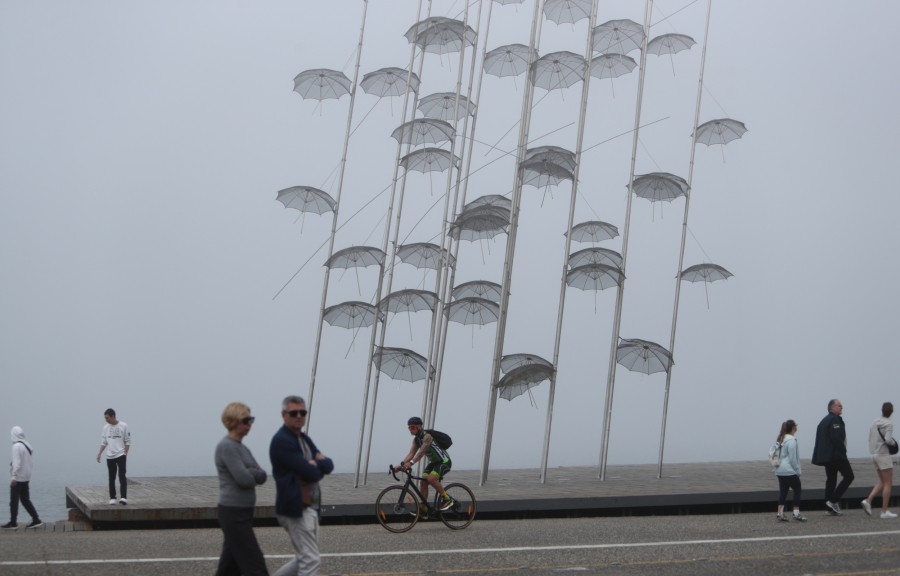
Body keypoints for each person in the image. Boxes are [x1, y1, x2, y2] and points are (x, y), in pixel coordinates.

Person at [270, 396, 333, 576]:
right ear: (284, 415)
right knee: (311, 559)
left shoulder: (304, 439)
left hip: (310, 507)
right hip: (296, 507)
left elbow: (328, 465)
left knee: (303, 558)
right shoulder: (282, 441)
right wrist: (314, 464)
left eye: (302, 412)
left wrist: (314, 465)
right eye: (294, 413)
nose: (299, 416)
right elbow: (311, 472)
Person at [214, 402, 269, 576]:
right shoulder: (226, 446)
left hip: (243, 513)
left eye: (251, 419)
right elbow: (243, 479)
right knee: (255, 565)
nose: (250, 424)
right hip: (233, 513)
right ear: (233, 421)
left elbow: (263, 475)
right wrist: (253, 472)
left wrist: (251, 472)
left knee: (229, 568)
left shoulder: (242, 448)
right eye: (246, 420)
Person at [395, 416, 454, 512]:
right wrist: (400, 465)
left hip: (444, 462)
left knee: (431, 479)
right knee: (423, 482)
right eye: (409, 427)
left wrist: (411, 463)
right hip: (434, 463)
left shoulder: (427, 436)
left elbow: (421, 453)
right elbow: (411, 454)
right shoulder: (416, 440)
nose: (410, 430)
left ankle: (447, 499)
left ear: (419, 427)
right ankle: (424, 510)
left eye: (412, 427)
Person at [812, 399, 854, 515]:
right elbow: (835, 438)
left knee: (831, 480)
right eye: (839, 406)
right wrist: (843, 450)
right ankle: (833, 501)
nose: (842, 408)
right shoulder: (834, 419)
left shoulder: (824, 421)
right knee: (849, 476)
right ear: (832, 408)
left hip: (827, 457)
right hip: (836, 455)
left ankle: (829, 509)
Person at [2, 427, 43, 529]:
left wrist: (13, 477)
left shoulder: (16, 446)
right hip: (26, 477)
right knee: (25, 500)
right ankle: (36, 519)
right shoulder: (27, 445)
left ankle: (13, 522)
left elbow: (16, 463)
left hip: (18, 478)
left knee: (14, 501)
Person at [862, 402, 897, 519]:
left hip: (873, 454)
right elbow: (888, 439)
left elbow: (869, 438)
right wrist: (894, 443)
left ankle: (868, 501)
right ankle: (884, 511)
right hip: (883, 454)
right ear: (891, 412)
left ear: (882, 410)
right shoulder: (889, 423)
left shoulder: (875, 422)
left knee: (882, 481)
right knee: (888, 483)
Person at [774, 420, 807, 522]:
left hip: (779, 469)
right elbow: (793, 459)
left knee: (783, 492)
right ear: (793, 428)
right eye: (796, 425)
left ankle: (780, 513)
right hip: (788, 470)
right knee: (797, 490)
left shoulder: (781, 439)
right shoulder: (792, 441)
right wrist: (797, 471)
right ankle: (796, 513)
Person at [96, 408, 130, 505]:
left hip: (121, 454)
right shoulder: (106, 428)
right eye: (105, 418)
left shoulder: (123, 426)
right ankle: (112, 497)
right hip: (110, 456)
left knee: (122, 476)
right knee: (111, 477)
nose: (106, 420)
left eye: (107, 418)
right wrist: (99, 454)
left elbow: (127, 441)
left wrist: (125, 454)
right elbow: (104, 442)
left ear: (113, 416)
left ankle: (123, 497)